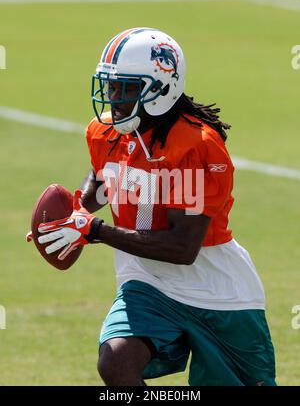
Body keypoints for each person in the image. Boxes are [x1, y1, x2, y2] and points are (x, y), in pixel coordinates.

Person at [36, 28, 276, 386]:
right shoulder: (107, 132)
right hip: (147, 284)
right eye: (111, 86)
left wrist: (95, 231)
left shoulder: (194, 145)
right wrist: (76, 213)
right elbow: (106, 174)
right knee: (116, 363)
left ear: (162, 88)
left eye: (127, 88)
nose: (114, 98)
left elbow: (182, 248)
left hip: (218, 293)